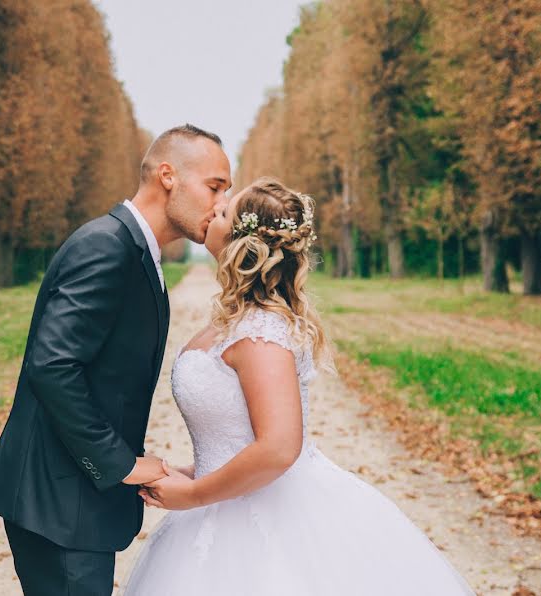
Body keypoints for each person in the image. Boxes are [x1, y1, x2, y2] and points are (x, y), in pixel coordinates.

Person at [121, 177, 474, 595]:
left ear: (243, 243)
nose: (213, 209)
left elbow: (278, 447)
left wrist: (196, 493)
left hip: (265, 519)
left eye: (223, 211)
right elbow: (238, 434)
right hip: (224, 502)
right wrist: (196, 472)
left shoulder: (259, 332)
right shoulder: (240, 321)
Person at [0, 124, 232, 596]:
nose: (220, 205)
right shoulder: (106, 246)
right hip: (59, 503)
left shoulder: (136, 251)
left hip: (74, 501)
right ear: (167, 175)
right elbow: (52, 365)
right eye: (214, 186)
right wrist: (121, 464)